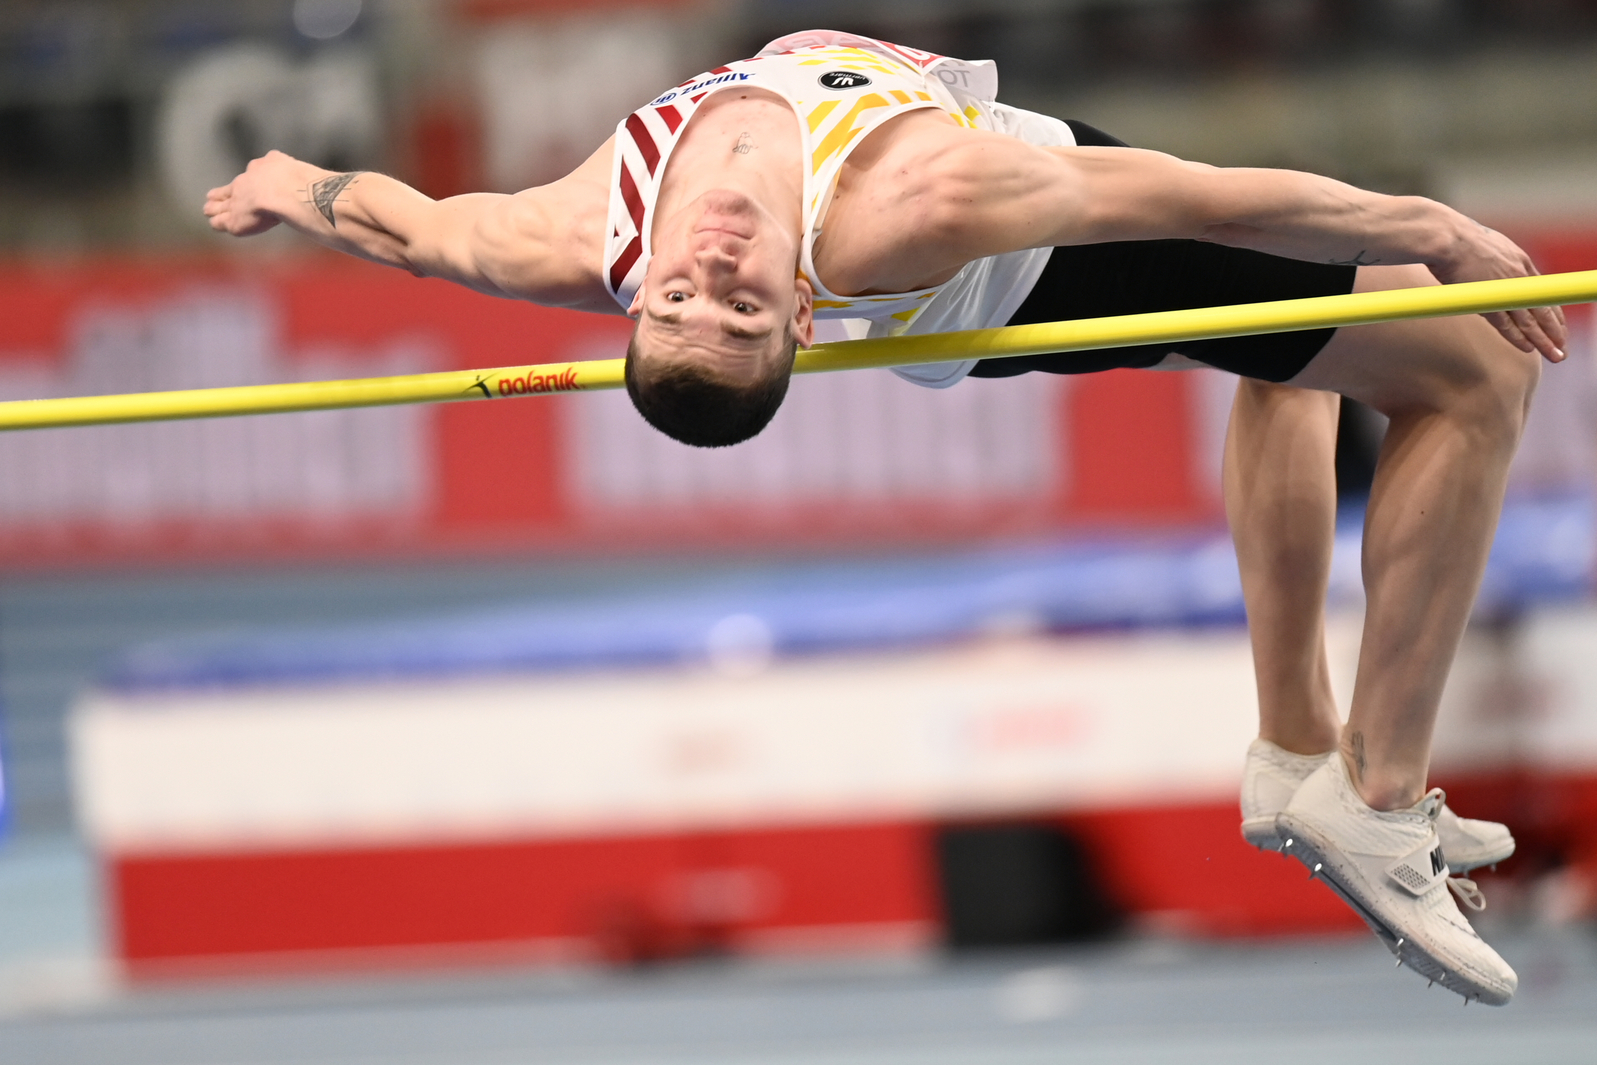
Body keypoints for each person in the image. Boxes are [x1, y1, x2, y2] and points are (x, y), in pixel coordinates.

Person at [205, 29, 1564, 1004]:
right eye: (739, 306)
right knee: (1473, 369)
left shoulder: (567, 235)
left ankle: (1288, 750)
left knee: (1289, 353)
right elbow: (1179, 195)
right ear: (800, 313)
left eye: (690, 298)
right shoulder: (916, 204)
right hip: (1019, 266)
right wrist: (1429, 227)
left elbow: (408, 224)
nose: (712, 270)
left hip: (1001, 195)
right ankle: (1374, 791)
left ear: (636, 298)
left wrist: (289, 184)